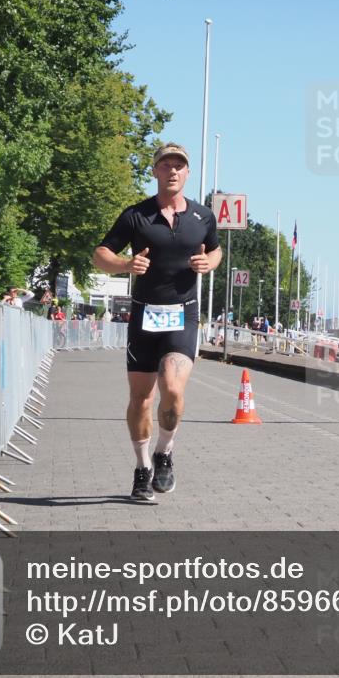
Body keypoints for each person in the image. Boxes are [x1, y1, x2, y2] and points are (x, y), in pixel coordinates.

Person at [93, 142, 222, 502]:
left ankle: (165, 453)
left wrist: (210, 263)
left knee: (173, 388)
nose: (173, 171)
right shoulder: (136, 215)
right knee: (141, 400)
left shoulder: (202, 217)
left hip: (183, 314)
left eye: (179, 165)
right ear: (155, 171)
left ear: (187, 172)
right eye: (165, 165)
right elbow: (100, 253)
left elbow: (215, 249)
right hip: (144, 315)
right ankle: (142, 467)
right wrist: (124, 265)